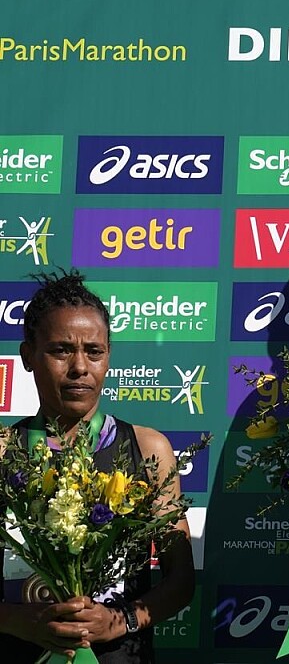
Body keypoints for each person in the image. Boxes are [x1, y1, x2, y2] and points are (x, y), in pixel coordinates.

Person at [0, 271, 195, 663]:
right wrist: (20, 621)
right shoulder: (3, 450)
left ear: (108, 356)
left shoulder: (148, 449)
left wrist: (119, 621)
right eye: (60, 350)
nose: (80, 367)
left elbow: (181, 580)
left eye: (94, 351)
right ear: (27, 356)